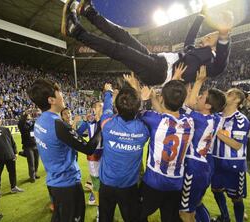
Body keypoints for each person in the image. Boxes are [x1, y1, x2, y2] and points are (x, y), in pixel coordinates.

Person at [61, 0, 232, 86]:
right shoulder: (193, 52)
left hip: (160, 72)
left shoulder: (211, 63)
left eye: (210, 38)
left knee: (121, 50)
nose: (205, 37)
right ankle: (89, 12)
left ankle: (75, 31)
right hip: (157, 60)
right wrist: (201, 16)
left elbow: (222, 60)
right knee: (124, 36)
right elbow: (190, 38)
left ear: (216, 46)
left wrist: (224, 35)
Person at [27, 78, 102, 222]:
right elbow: (88, 148)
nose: (63, 96)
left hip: (54, 182)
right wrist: (101, 126)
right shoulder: (58, 125)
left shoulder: (40, 121)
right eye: (59, 93)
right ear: (51, 100)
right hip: (67, 184)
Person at [136, 77, 194, 222]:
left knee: (139, 214)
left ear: (163, 98)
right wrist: (156, 97)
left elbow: (137, 112)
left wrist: (144, 98)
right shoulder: (190, 122)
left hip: (153, 181)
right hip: (175, 183)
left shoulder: (154, 119)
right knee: (170, 218)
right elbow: (167, 112)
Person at [177, 66, 226, 222]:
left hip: (193, 168)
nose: (198, 97)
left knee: (185, 213)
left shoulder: (200, 119)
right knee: (196, 204)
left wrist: (199, 81)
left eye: (202, 96)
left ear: (208, 106)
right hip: (205, 167)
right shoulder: (216, 118)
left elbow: (189, 105)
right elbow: (192, 103)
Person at [97, 81, 149, 222]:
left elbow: (107, 107)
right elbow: (144, 114)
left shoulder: (107, 123)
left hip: (107, 184)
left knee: (105, 218)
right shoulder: (144, 129)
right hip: (128, 186)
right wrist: (144, 99)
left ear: (117, 108)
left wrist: (108, 92)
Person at [210, 88, 250, 222]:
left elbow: (237, 145)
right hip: (215, 161)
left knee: (236, 197)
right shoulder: (216, 116)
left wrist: (216, 132)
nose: (225, 95)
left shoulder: (240, 120)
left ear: (237, 100)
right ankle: (225, 217)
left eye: (229, 94)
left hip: (233, 164)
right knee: (216, 190)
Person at [0, 114, 24, 197]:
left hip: (10, 155)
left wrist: (15, 152)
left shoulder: (6, 129)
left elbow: (12, 142)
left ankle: (14, 187)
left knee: (12, 172)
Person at [76, 102, 104, 206]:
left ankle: (92, 189)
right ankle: (96, 201)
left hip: (106, 154)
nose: (102, 108)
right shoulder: (90, 121)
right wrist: (84, 121)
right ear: (93, 109)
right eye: (99, 106)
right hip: (94, 155)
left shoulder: (107, 121)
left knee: (103, 178)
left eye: (102, 106)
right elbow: (77, 133)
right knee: (96, 179)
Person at [18, 110, 40, 183]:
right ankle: (32, 176)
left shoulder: (32, 123)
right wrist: (25, 114)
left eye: (29, 115)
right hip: (28, 146)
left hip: (35, 144)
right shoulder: (22, 124)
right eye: (27, 115)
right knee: (31, 162)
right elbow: (21, 122)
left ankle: (35, 173)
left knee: (36, 161)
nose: (29, 115)